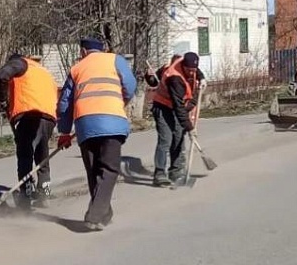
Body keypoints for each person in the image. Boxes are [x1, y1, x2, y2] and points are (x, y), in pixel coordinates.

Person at [56, 38, 137, 231]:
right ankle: (95, 214)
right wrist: (120, 100)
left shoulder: (76, 69)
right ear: (103, 49)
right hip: (112, 121)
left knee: (94, 171)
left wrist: (64, 132)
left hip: (85, 124)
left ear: (83, 51)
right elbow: (131, 85)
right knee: (108, 170)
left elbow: (64, 103)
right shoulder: (115, 60)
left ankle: (103, 214)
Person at [0, 52, 59, 209]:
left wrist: (3, 101)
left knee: (25, 155)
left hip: (28, 116)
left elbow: (2, 75)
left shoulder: (20, 64)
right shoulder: (42, 70)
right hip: (49, 117)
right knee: (42, 153)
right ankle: (44, 191)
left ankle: (25, 196)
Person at [149, 52, 202, 187]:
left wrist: (202, 78)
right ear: (183, 66)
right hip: (163, 107)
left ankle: (176, 171)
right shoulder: (174, 78)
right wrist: (190, 128)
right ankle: (159, 173)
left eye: (194, 70)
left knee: (178, 137)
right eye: (189, 70)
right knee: (166, 140)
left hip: (177, 107)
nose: (192, 73)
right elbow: (179, 108)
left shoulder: (189, 65)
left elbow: (197, 71)